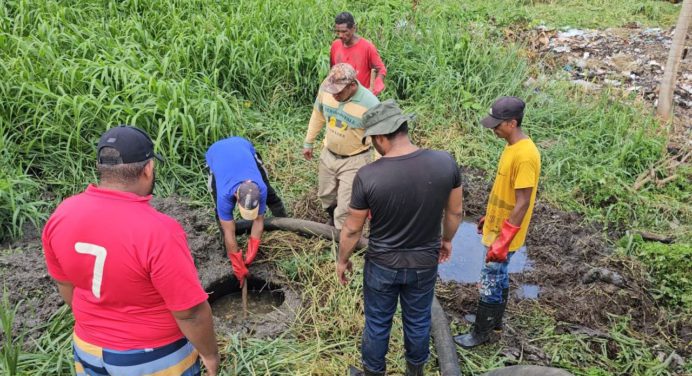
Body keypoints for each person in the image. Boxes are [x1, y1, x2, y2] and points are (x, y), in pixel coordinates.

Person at [42, 125, 219, 376]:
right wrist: (210, 353)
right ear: (148, 169)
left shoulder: (62, 214)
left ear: (102, 169)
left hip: (87, 349)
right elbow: (190, 312)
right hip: (154, 357)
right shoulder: (159, 230)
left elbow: (65, 284)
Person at [337, 100, 464, 376]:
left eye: (372, 139)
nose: (373, 145)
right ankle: (414, 372)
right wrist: (447, 240)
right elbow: (455, 212)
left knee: (378, 323)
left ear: (381, 136)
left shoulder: (368, 176)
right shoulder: (445, 162)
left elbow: (351, 229)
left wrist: (342, 259)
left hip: (382, 265)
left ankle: (372, 373)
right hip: (424, 263)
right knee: (418, 321)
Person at [453, 96, 541, 348]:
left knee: (490, 279)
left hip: (506, 233)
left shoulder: (525, 155)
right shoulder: (511, 146)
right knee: (499, 277)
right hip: (498, 224)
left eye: (497, 124)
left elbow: (523, 201)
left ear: (512, 123)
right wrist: (489, 217)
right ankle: (496, 322)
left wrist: (503, 240)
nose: (493, 128)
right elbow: (507, 192)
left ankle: (480, 333)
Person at [303, 63, 380, 230]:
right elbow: (318, 115)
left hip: (355, 159)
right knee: (326, 195)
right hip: (328, 154)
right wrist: (308, 142)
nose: (334, 96)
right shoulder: (327, 89)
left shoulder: (371, 104)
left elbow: (380, 137)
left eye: (338, 92)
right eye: (332, 91)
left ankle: (341, 237)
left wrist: (379, 166)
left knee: (346, 206)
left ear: (352, 85)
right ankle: (332, 218)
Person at [206, 136, 287, 286]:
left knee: (271, 196)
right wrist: (237, 263)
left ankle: (285, 226)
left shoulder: (260, 189)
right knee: (223, 219)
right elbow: (230, 231)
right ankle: (228, 250)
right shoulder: (224, 195)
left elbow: (258, 221)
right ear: (236, 197)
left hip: (242, 147)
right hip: (217, 155)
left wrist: (251, 251)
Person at [331, 12, 387, 96]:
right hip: (341, 97)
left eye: (344, 31)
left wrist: (373, 90)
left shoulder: (367, 47)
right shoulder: (335, 45)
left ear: (353, 28)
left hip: (360, 98)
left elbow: (381, 70)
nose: (340, 35)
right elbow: (332, 70)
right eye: (337, 31)